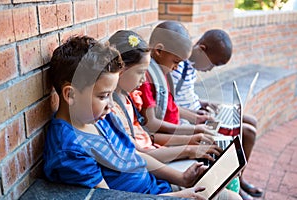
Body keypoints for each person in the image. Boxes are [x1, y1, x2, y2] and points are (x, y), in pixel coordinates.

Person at [43, 35, 240, 199]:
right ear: (71, 95)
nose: (111, 105)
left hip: (157, 188)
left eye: (112, 94)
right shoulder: (70, 150)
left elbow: (135, 156)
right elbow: (109, 198)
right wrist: (180, 196)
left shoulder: (100, 118)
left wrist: (181, 178)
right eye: (103, 96)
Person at [171, 29, 263, 200]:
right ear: (202, 49)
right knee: (248, 133)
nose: (210, 69)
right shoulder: (177, 67)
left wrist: (204, 104)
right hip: (190, 123)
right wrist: (196, 115)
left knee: (250, 120)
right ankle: (236, 180)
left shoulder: (190, 66)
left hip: (199, 113)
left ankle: (240, 177)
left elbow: (185, 96)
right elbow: (171, 106)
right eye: (212, 64)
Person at [108, 30, 222, 164]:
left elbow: (148, 137)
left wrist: (193, 134)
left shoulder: (156, 79)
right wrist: (188, 147)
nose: (177, 67)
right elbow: (143, 144)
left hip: (159, 148)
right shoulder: (117, 105)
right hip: (157, 155)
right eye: (176, 61)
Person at [137, 21, 214, 141]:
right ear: (158, 50)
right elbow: (151, 123)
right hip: (166, 139)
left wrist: (195, 117)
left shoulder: (163, 72)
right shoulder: (145, 78)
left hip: (176, 130)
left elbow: (170, 107)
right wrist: (194, 130)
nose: (177, 67)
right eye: (176, 61)